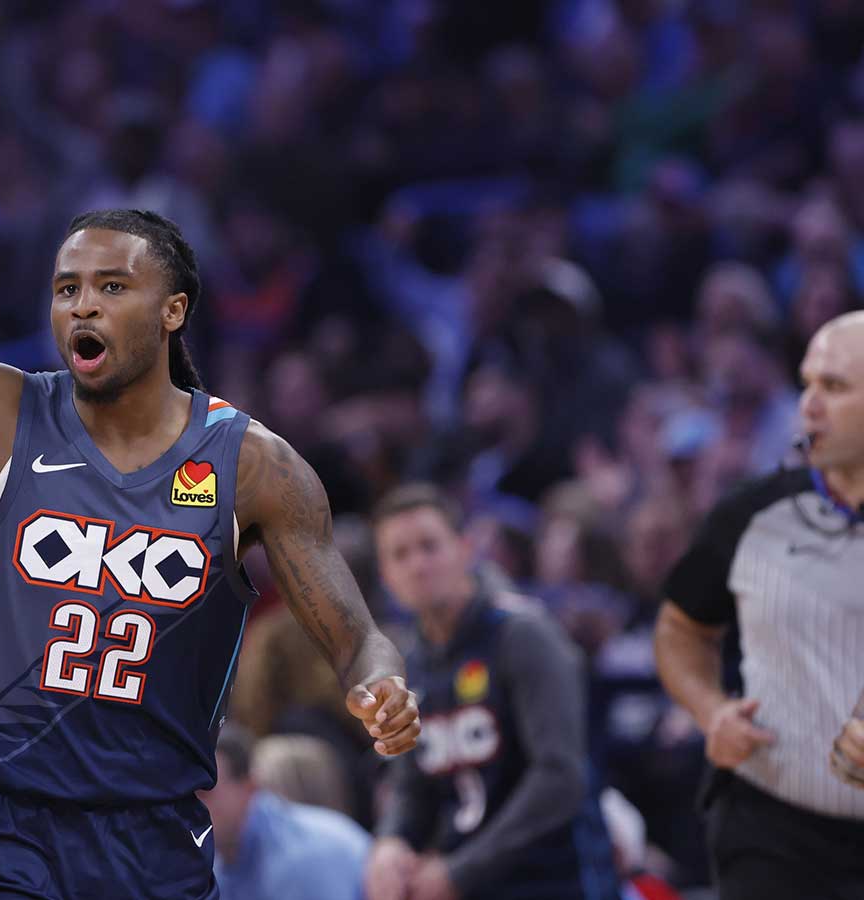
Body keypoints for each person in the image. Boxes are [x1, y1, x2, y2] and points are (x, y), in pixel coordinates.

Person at [0, 52, 418, 900]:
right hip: (3, 825)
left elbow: (355, 637)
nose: (82, 305)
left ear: (173, 311)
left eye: (111, 286)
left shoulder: (253, 465)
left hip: (153, 830)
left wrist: (379, 685)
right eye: (67, 289)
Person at [656, 311, 864, 899]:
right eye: (807, 383)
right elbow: (680, 629)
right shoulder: (750, 514)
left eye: (834, 387)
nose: (809, 406)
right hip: (772, 831)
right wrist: (711, 711)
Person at [363, 484, 619, 900]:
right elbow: (412, 784)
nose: (418, 565)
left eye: (429, 546)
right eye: (400, 554)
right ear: (386, 576)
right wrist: (391, 840)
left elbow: (560, 777)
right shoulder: (407, 664)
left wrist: (462, 871)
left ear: (464, 549)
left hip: (554, 883)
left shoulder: (523, 635)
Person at [199, 725, 368, 900]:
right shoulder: (214, 856)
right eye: (186, 796)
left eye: (204, 792)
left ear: (249, 787)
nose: (193, 808)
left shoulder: (306, 855)